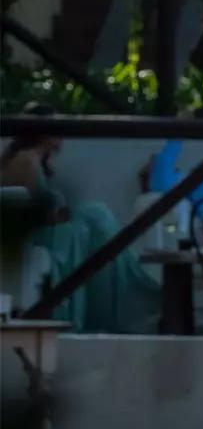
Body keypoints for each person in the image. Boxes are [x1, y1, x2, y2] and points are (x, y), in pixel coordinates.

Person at [0, 131, 161, 332]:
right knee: (95, 219)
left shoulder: (41, 161)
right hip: (38, 234)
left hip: (50, 227)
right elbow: (40, 210)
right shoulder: (27, 160)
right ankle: (127, 290)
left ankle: (119, 288)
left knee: (96, 217)